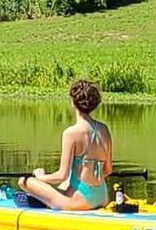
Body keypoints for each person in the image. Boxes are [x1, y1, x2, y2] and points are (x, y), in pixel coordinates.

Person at [18, 79, 112, 211]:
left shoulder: (71, 133)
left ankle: (47, 200)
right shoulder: (104, 129)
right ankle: (52, 196)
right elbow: (108, 170)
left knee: (24, 181)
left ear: (73, 103)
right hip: (102, 195)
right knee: (65, 183)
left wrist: (41, 176)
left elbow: (61, 174)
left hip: (80, 201)